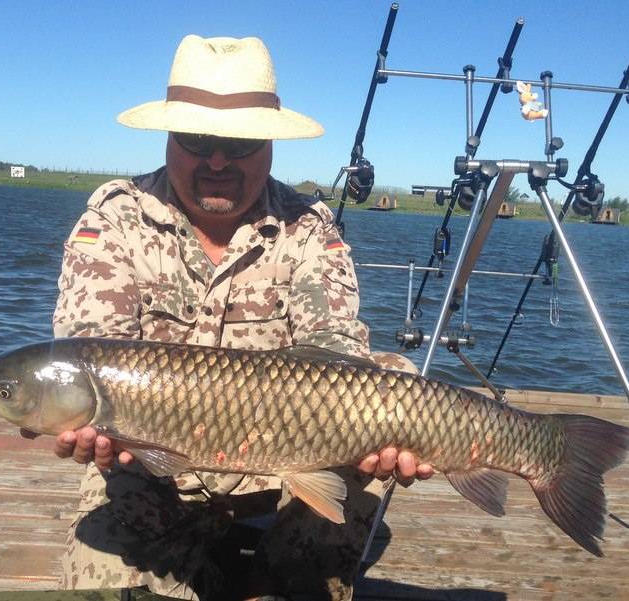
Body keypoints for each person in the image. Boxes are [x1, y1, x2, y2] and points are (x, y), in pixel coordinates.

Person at [43, 34, 433, 601]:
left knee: (382, 383)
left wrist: (384, 431)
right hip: (151, 479)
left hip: (287, 481)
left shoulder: (309, 228)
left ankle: (272, 570)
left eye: (240, 141)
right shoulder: (114, 221)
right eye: (198, 139)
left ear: (270, 143)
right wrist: (85, 431)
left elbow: (336, 347)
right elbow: (88, 354)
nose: (218, 160)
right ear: (169, 138)